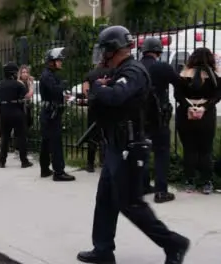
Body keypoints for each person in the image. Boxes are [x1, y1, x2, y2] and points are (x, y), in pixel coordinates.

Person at [77, 25, 189, 264]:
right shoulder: (121, 70)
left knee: (131, 204)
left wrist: (97, 88)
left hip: (130, 146)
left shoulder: (133, 70)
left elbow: (116, 96)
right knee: (105, 199)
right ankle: (103, 249)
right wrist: (102, 88)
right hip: (116, 145)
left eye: (105, 49)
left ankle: (173, 243)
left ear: (113, 49)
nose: (102, 54)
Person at [140, 37, 181, 202]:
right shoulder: (162, 67)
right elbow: (179, 83)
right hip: (158, 117)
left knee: (141, 149)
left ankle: (142, 185)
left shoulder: (136, 66)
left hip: (139, 117)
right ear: (158, 51)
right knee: (161, 152)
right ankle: (161, 191)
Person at [175, 47, 221, 194]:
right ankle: (207, 182)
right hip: (206, 115)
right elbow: (217, 96)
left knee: (189, 148)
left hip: (185, 114)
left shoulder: (183, 74)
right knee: (206, 149)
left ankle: (189, 181)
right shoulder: (215, 76)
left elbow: (178, 95)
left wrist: (190, 106)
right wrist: (203, 107)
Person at [39, 47, 75, 181]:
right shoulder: (47, 75)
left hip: (49, 112)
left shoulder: (50, 74)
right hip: (50, 113)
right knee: (55, 142)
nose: (61, 62)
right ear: (51, 62)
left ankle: (44, 169)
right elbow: (55, 90)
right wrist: (63, 86)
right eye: (58, 60)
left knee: (47, 141)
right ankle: (59, 172)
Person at [0, 62, 34, 168]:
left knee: (5, 138)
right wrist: (31, 86)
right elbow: (27, 96)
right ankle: (24, 161)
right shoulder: (18, 85)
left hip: (4, 113)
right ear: (13, 73)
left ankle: (2, 161)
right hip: (17, 112)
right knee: (21, 137)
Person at [82, 61, 110, 173]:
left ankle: (90, 163)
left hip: (93, 108)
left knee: (92, 135)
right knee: (106, 135)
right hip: (107, 107)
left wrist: (90, 98)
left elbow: (85, 91)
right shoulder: (111, 72)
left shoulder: (90, 74)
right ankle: (104, 161)